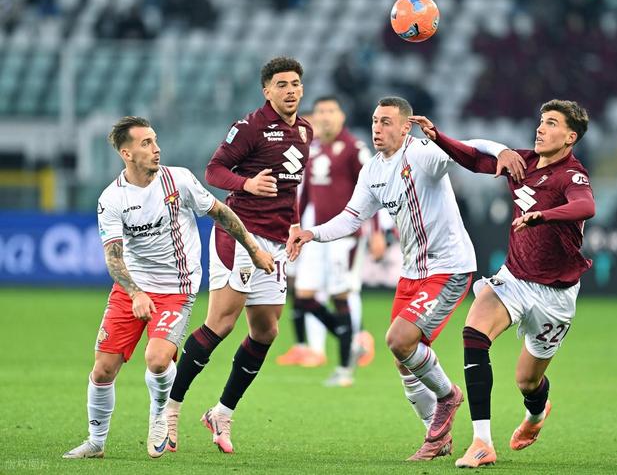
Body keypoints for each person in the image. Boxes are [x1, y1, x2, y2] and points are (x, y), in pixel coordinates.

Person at [287, 96, 525, 461]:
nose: (377, 128)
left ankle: (447, 396)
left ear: (405, 127)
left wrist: (502, 150)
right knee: (403, 358)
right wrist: (312, 233)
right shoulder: (373, 170)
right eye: (374, 121)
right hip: (412, 271)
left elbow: (467, 148)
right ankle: (438, 436)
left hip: (448, 267)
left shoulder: (423, 154)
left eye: (386, 122)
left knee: (399, 340)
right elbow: (352, 217)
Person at [63, 116, 274, 459]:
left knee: (158, 360)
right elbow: (114, 258)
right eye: (146, 143)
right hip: (132, 289)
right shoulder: (111, 199)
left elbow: (221, 212)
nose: (156, 148)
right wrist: (135, 293)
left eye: (155, 140)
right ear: (126, 153)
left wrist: (253, 249)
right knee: (102, 370)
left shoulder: (179, 180)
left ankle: (160, 416)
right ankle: (96, 442)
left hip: (177, 288)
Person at [408, 99, 595, 468]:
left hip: (555, 295)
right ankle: (482, 442)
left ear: (570, 137)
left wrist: (544, 216)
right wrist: (438, 136)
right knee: (473, 335)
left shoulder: (571, 175)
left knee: (527, 381)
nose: (540, 128)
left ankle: (536, 413)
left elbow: (586, 206)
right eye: (541, 121)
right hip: (514, 278)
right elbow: (474, 160)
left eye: (552, 123)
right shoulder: (521, 162)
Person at [165, 56, 312, 454]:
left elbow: (291, 188)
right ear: (267, 90)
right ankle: (169, 410)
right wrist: (246, 184)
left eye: (295, 83)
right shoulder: (250, 127)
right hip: (241, 234)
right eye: (281, 84)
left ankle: (222, 412)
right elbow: (213, 171)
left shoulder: (305, 130)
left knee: (266, 331)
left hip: (276, 242)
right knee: (221, 323)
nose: (290, 91)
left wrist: (295, 225)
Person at [276, 95, 380, 386]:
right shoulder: (313, 150)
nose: (324, 116)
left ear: (341, 116)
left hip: (346, 237)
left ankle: (345, 370)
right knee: (304, 296)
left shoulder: (354, 150)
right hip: (318, 235)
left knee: (340, 296)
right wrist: (295, 228)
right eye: (320, 111)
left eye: (331, 111)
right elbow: (306, 196)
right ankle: (353, 341)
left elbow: (374, 192)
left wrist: (375, 232)